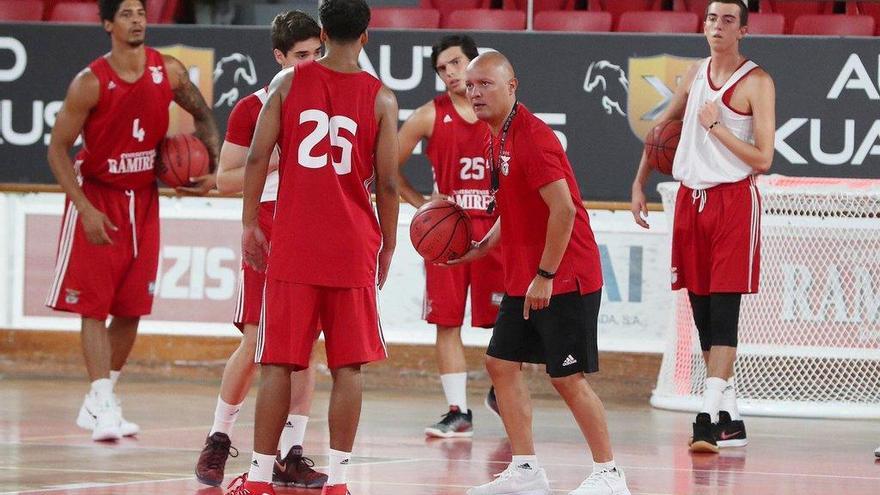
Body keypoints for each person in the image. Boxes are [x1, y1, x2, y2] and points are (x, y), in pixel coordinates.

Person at [227, 1, 399, 494]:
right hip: (352, 246)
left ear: (322, 32)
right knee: (349, 366)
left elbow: (259, 156)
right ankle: (339, 482)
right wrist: (386, 247)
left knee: (279, 361)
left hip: (295, 244)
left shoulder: (285, 83)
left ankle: (259, 480)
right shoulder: (381, 98)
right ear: (367, 35)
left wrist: (247, 225)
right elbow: (387, 185)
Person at [45, 0, 218, 442]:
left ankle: (101, 401)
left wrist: (210, 166)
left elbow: (202, 114)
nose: (137, 19)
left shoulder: (170, 70)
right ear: (107, 24)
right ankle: (102, 402)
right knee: (92, 306)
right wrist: (84, 208)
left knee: (131, 309)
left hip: (144, 197)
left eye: (140, 12)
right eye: (125, 13)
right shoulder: (90, 82)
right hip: (100, 197)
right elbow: (56, 148)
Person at [458, 51, 630, 495]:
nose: (475, 92)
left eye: (485, 84)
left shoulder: (534, 139)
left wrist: (547, 273)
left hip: (564, 275)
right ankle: (526, 470)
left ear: (512, 87)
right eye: (470, 85)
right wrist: (481, 247)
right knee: (500, 363)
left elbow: (564, 209)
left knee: (567, 378)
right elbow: (512, 210)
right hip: (529, 277)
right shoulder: (493, 137)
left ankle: (610, 475)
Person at [630, 0, 775, 454]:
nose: (717, 26)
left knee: (724, 313)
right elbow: (662, 130)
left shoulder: (757, 82)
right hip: (690, 201)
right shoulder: (694, 74)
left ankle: (707, 417)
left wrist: (717, 127)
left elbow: (764, 159)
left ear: (743, 30)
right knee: (702, 316)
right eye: (712, 18)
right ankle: (730, 418)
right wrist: (639, 181)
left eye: (728, 19)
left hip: (733, 202)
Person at [194, 11, 327, 489]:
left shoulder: (335, 101)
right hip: (270, 228)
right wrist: (271, 156)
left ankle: (291, 452)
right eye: (301, 56)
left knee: (305, 352)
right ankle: (217, 438)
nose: (311, 63)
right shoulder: (254, 106)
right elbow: (224, 178)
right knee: (255, 343)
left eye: (318, 53)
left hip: (314, 231)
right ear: (279, 57)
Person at [397, 34, 503, 439]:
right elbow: (387, 165)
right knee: (446, 321)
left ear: (476, 62)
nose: (452, 73)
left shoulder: (502, 111)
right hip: (451, 231)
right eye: (443, 68)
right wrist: (423, 205)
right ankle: (458, 410)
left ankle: (500, 389)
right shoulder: (429, 115)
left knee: (507, 320)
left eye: (457, 63)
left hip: (496, 229)